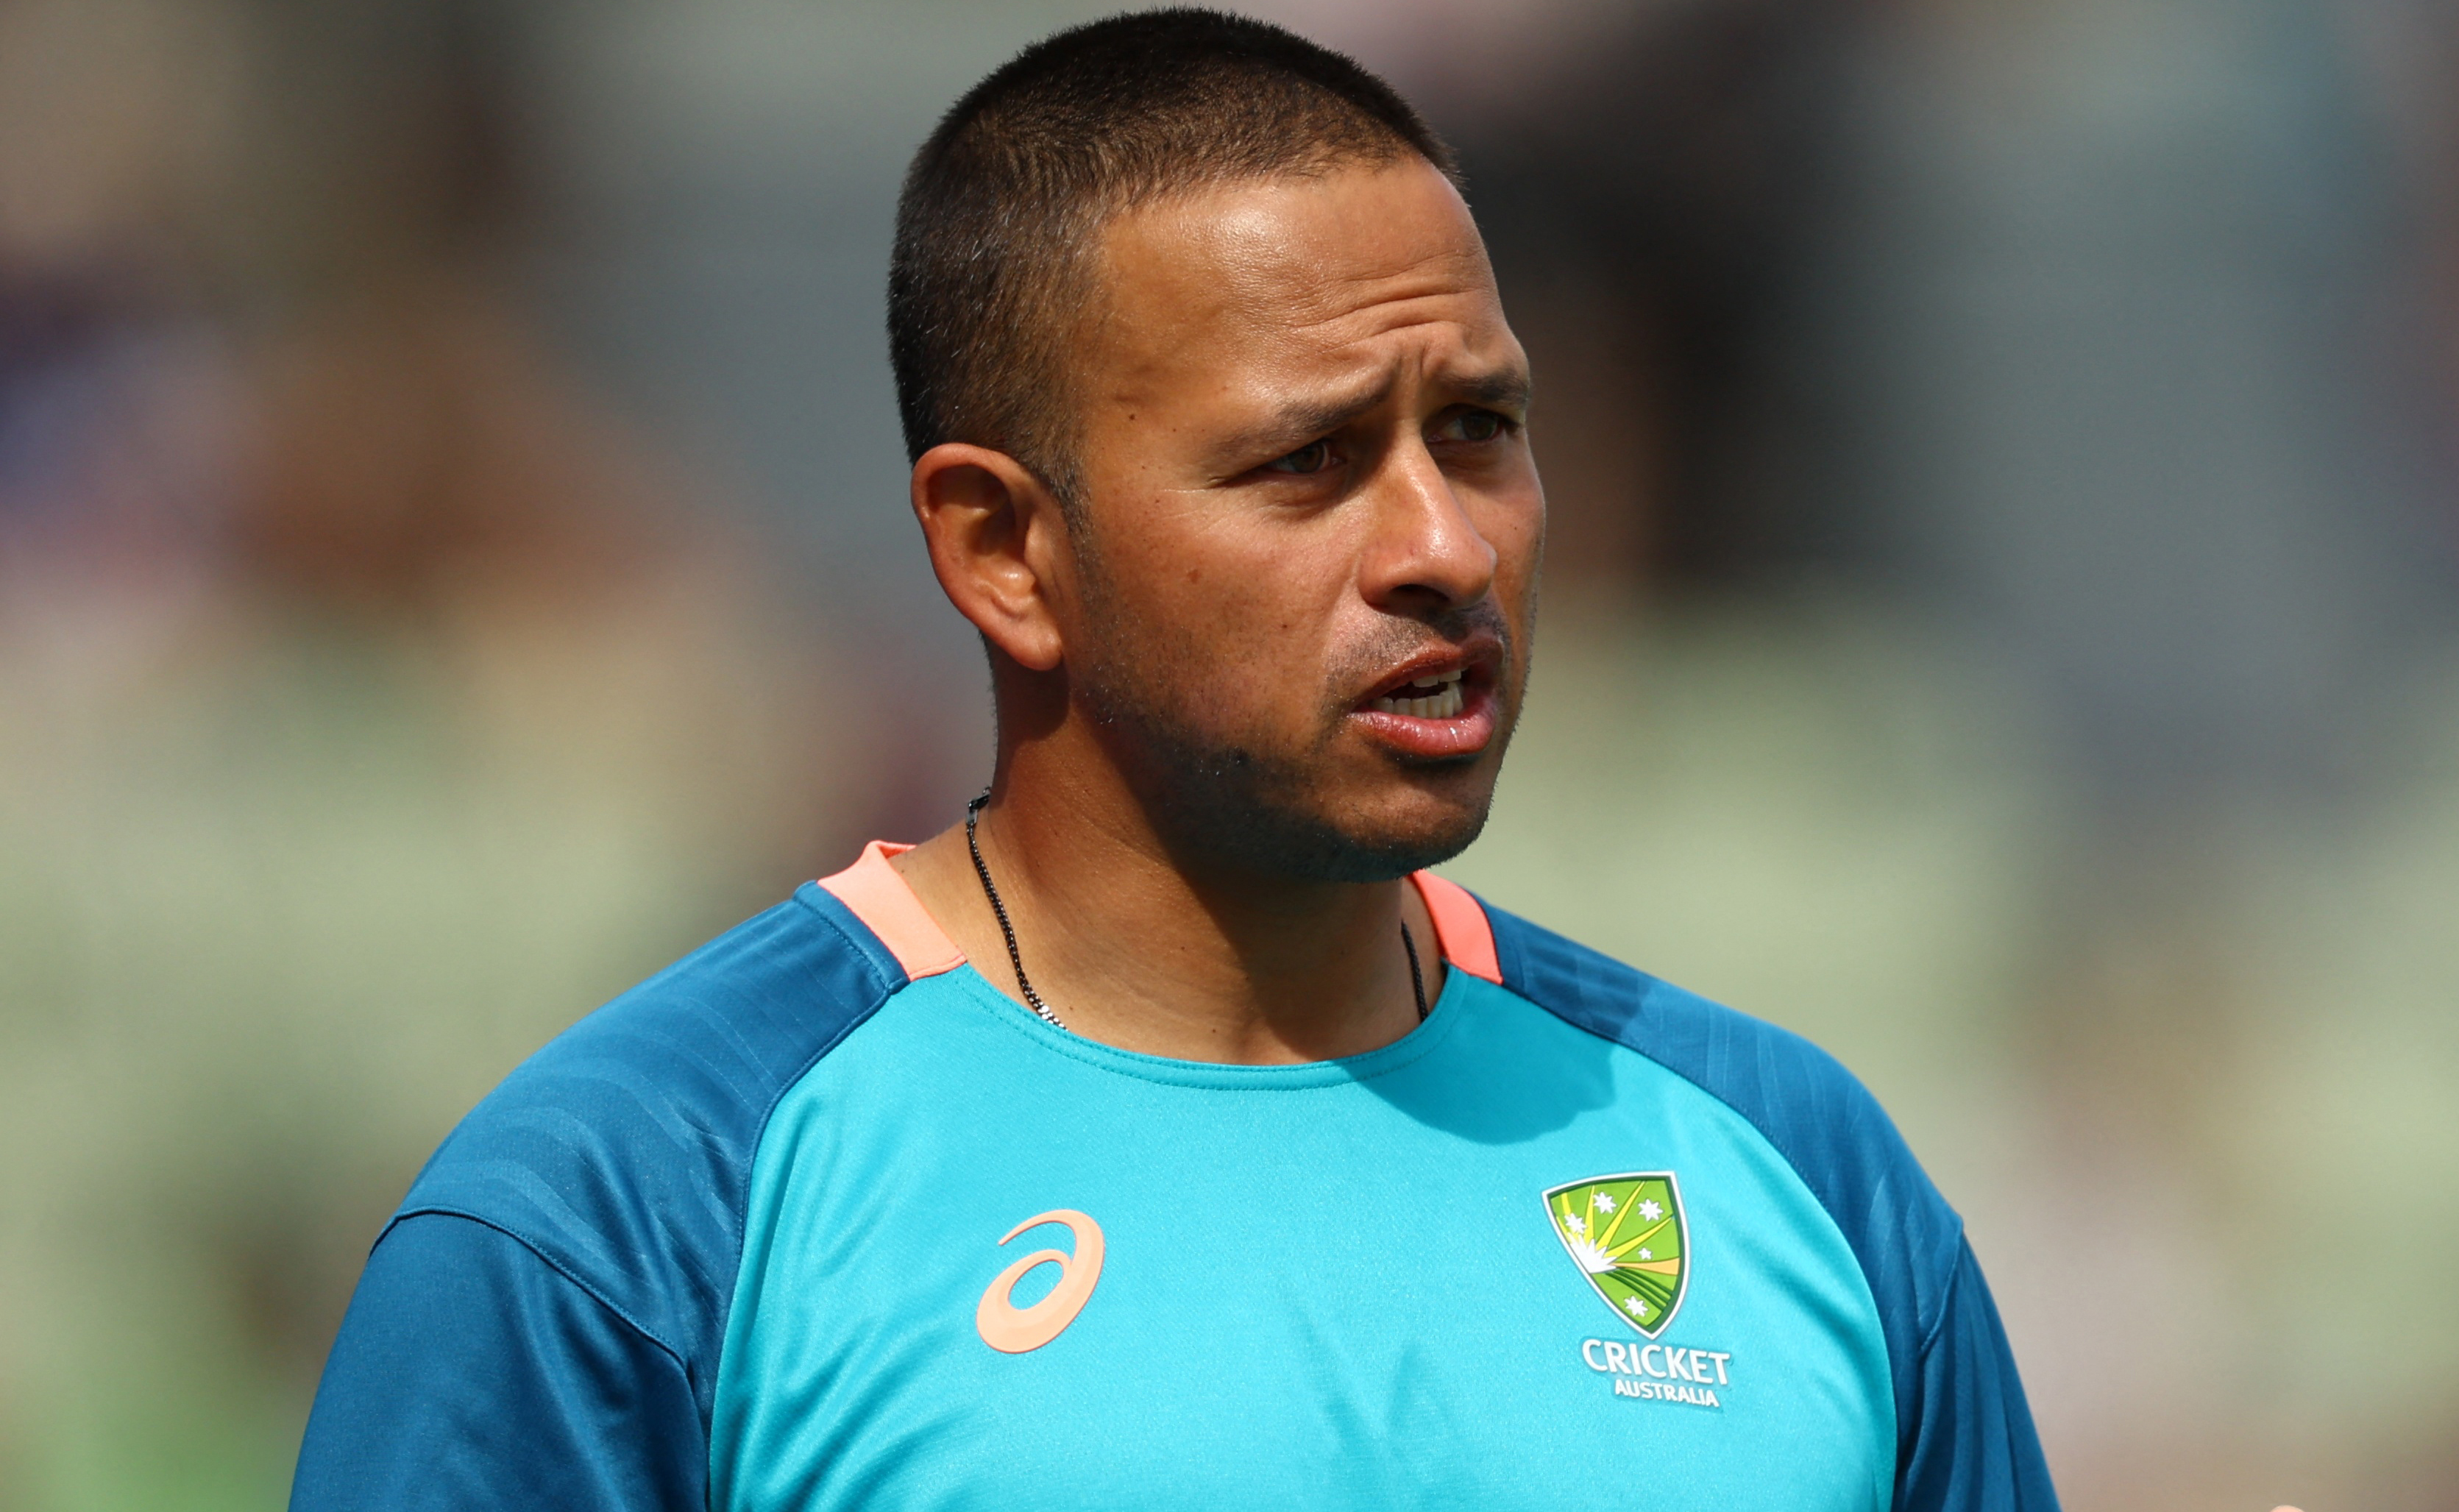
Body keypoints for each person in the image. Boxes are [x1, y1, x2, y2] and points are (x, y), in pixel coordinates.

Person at [288, 10, 2058, 1508]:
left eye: (1479, 428)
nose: (1442, 540)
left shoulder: (1794, 1167)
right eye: (1305, 462)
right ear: (1002, 550)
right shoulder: (630, 1215)